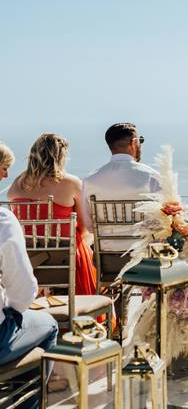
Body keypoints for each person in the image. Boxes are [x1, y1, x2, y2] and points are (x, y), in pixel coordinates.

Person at [0, 141, 60, 409]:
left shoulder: (14, 193)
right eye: (3, 169)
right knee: (49, 325)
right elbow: (23, 293)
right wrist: (12, 309)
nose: (5, 176)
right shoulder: (3, 221)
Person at [8, 134, 98, 296]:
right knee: (83, 245)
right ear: (60, 157)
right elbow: (85, 228)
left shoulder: (17, 183)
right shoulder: (71, 183)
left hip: (29, 260)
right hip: (65, 260)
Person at [81, 123, 161, 251]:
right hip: (145, 251)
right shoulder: (151, 176)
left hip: (106, 252)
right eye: (140, 141)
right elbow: (162, 219)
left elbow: (89, 224)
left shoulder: (90, 180)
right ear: (133, 143)